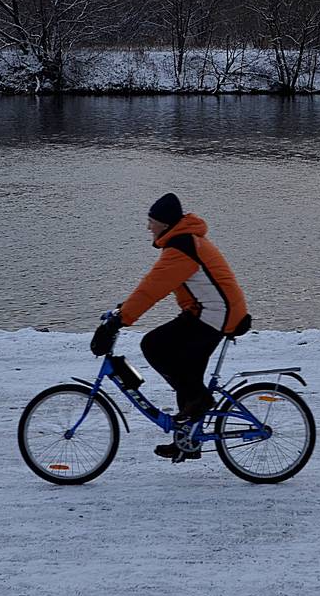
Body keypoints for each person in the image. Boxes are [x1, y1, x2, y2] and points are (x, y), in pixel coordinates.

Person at [90, 192, 250, 460]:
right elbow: (153, 286)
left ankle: (198, 403)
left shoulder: (182, 247)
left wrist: (122, 319)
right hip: (207, 313)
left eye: (151, 221)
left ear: (164, 223)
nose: (147, 227)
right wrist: (124, 309)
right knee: (186, 376)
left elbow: (153, 288)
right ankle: (188, 439)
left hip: (216, 315)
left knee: (155, 345)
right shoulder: (183, 243)